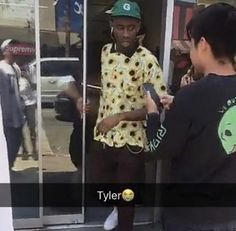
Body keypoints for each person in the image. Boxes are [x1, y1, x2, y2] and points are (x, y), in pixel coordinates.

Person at [145, 3, 236, 230]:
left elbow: (159, 148)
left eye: (191, 44)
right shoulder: (190, 99)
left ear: (203, 45)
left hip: (191, 217)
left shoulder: (191, 96)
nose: (191, 51)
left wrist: (153, 113)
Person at [91, 1, 166, 230]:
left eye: (131, 28)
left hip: (132, 140)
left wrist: (120, 117)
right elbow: (105, 89)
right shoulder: (105, 52)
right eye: (120, 27)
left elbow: (157, 105)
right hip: (104, 134)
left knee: (127, 195)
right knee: (100, 181)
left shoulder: (148, 61)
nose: (125, 33)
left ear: (139, 26)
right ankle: (115, 206)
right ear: (112, 25)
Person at [0, 39, 25, 171]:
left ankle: (9, 167)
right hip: (6, 116)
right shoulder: (1, 68)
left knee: (16, 142)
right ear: (4, 52)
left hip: (17, 115)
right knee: (8, 144)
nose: (14, 51)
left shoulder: (15, 68)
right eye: (11, 48)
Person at [19, 67, 37, 160]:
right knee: (20, 127)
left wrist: (28, 77)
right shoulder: (13, 67)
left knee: (32, 127)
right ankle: (24, 149)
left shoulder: (31, 68)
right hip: (18, 102)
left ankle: (34, 149)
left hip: (30, 102)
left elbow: (35, 86)